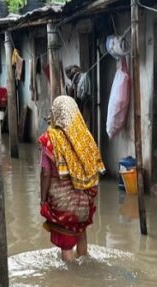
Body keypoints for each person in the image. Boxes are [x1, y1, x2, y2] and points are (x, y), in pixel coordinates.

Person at [38, 95, 105, 262]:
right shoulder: (85, 138)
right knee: (81, 233)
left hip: (63, 202)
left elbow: (45, 173)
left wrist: (43, 199)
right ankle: (85, 266)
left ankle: (72, 280)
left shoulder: (51, 139)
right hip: (84, 201)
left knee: (66, 244)